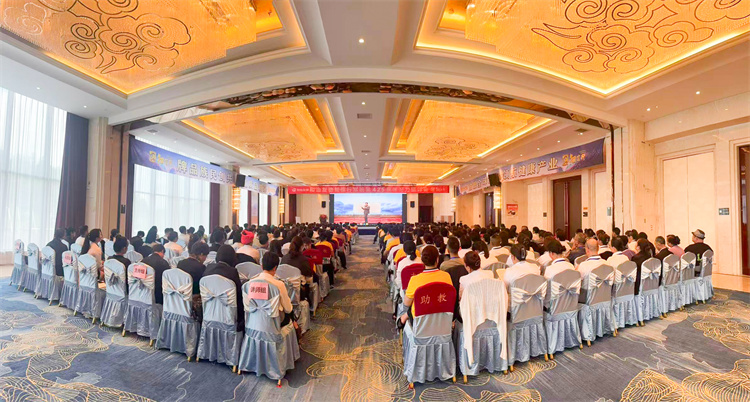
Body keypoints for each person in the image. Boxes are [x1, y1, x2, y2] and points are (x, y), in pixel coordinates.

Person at [400, 245, 452, 325]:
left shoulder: (415, 279)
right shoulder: (446, 276)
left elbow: (406, 303)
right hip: (442, 322)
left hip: (420, 324)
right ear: (437, 259)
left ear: (422, 261)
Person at [203, 245, 244, 330]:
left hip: (208, 313)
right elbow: (238, 296)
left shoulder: (208, 269)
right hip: (228, 316)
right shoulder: (232, 272)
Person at [256, 252, 298, 332]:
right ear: (275, 268)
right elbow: (288, 309)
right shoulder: (279, 284)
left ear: (261, 266)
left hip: (256, 319)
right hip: (275, 321)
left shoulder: (250, 283)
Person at [280, 236, 315, 304]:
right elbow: (309, 274)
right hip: (299, 291)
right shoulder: (303, 259)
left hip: (284, 290)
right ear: (301, 247)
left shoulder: (284, 258)